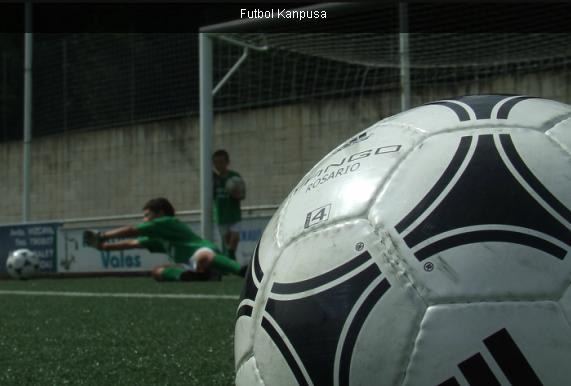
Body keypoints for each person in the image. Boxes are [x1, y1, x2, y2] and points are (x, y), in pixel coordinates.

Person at [84, 197, 246, 281]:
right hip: (189, 264)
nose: (145, 219)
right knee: (157, 272)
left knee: (205, 256)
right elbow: (132, 243)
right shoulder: (160, 235)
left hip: (203, 252)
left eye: (147, 215)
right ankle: (195, 276)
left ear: (160, 213)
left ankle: (242, 271)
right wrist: (103, 247)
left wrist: (102, 236)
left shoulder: (166, 222)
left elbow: (132, 231)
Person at [212, 149, 244, 261]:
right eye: (216, 162)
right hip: (221, 214)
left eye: (221, 162)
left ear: (227, 162)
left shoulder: (234, 177)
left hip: (234, 214)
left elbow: (242, 194)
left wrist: (236, 194)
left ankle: (230, 257)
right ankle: (231, 259)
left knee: (235, 238)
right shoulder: (213, 179)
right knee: (227, 242)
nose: (219, 165)